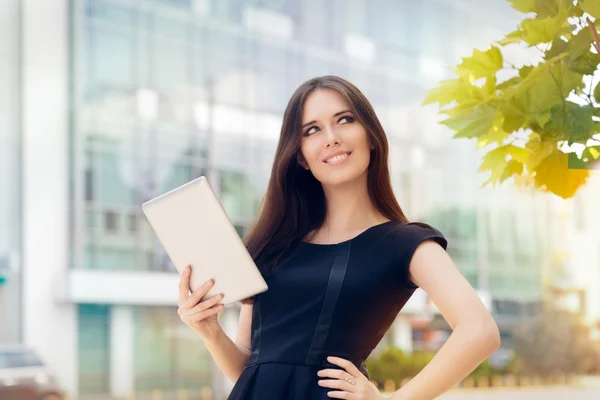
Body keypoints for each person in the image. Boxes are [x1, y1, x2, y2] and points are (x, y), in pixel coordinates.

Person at [177, 75, 501, 399]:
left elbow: (480, 331)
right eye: (312, 130)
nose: (331, 138)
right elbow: (250, 371)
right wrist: (210, 333)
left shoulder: (405, 243)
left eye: (345, 120)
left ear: (371, 136)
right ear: (301, 155)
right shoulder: (274, 245)